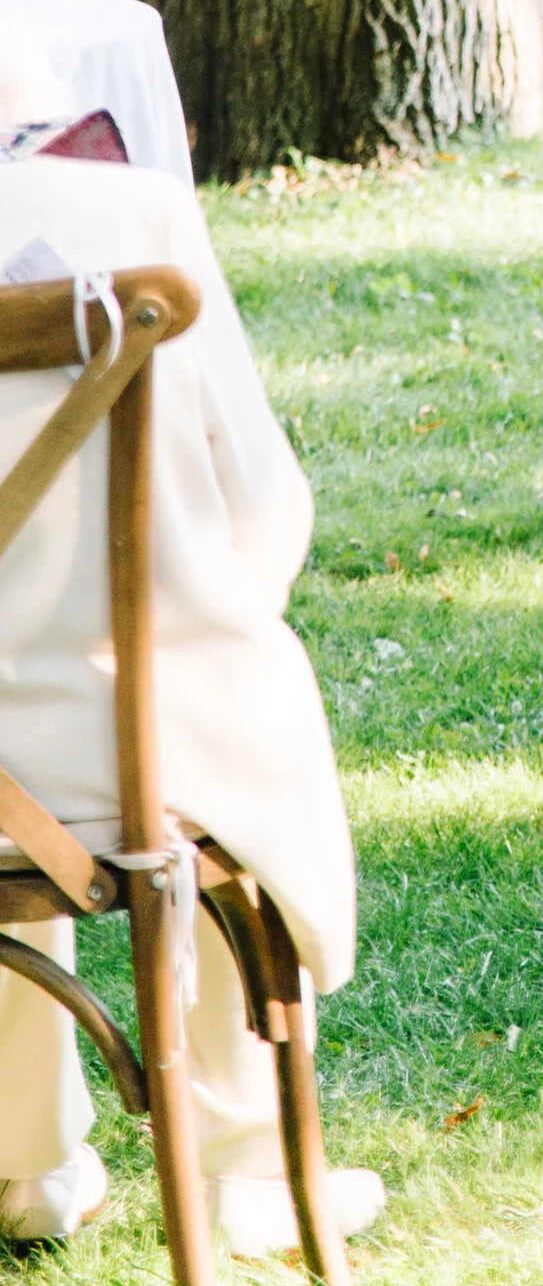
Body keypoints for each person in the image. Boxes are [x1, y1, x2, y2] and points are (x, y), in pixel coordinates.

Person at [0, 146, 383, 1256]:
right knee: (224, 696)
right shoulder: (127, 210)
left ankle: (27, 1157)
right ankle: (245, 1155)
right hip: (108, 742)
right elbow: (264, 502)